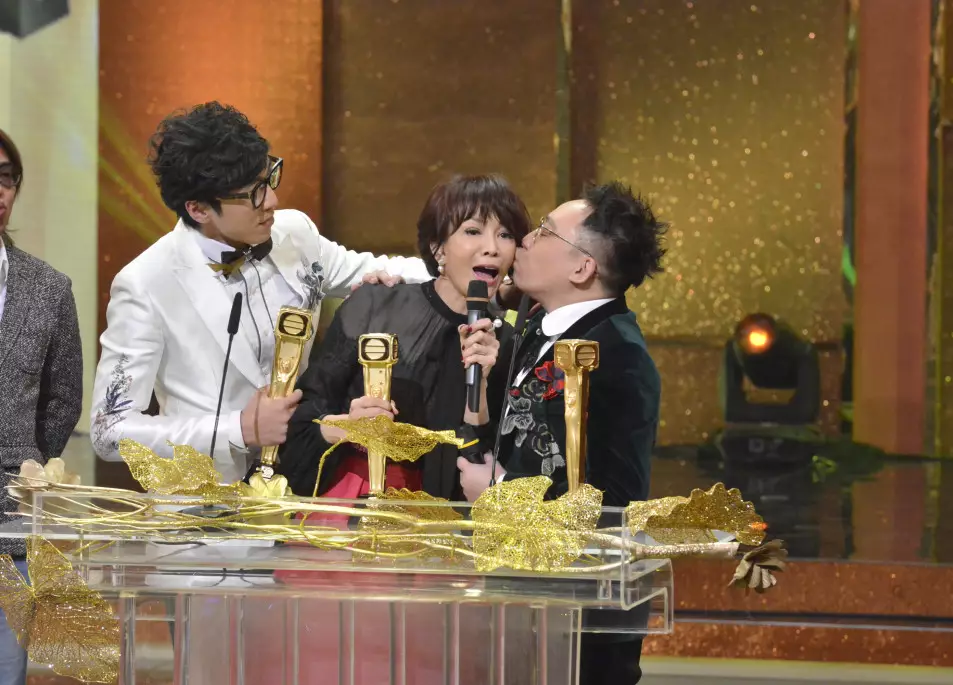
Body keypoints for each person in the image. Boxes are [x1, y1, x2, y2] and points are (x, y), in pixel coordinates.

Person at [90, 102, 431, 482]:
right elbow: (109, 431)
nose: (271, 201)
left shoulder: (294, 234)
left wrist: (470, 275)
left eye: (268, 180)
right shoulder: (145, 283)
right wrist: (238, 430)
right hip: (203, 504)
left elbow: (384, 271)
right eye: (251, 194)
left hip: (302, 487)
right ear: (199, 209)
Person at [457, 181, 666, 685]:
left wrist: (499, 492)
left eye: (545, 231)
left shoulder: (618, 353)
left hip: (581, 613)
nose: (525, 239)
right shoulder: (538, 328)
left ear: (582, 268)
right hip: (523, 586)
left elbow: (613, 499)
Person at [279, 173, 529, 500]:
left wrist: (479, 390)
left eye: (505, 235)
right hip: (357, 503)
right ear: (438, 247)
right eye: (473, 231)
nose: (492, 248)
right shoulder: (376, 304)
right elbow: (302, 418)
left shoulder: (505, 343)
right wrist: (347, 426)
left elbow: (483, 462)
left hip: (443, 518)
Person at [0, 128, 84, 685]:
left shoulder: (48, 289)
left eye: (5, 179)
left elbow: (63, 400)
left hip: (9, 517)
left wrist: (24, 465)